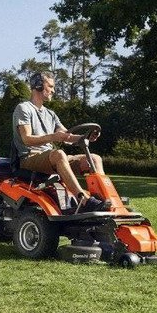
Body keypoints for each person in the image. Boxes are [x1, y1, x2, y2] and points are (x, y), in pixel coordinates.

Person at [12, 71, 110, 212]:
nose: (53, 91)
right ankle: (83, 200)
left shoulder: (50, 114)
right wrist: (53, 137)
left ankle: (104, 200)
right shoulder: (24, 108)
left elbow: (67, 136)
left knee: (94, 159)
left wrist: (86, 137)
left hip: (50, 158)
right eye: (50, 86)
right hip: (30, 157)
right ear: (38, 86)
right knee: (59, 154)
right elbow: (26, 139)